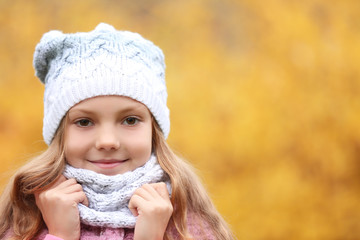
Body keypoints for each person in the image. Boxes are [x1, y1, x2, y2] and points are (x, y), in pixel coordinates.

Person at [0, 23, 235, 240]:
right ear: (60, 134)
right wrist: (59, 235)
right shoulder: (25, 216)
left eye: (130, 120)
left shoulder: (187, 221)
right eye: (84, 122)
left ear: (153, 130)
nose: (108, 141)